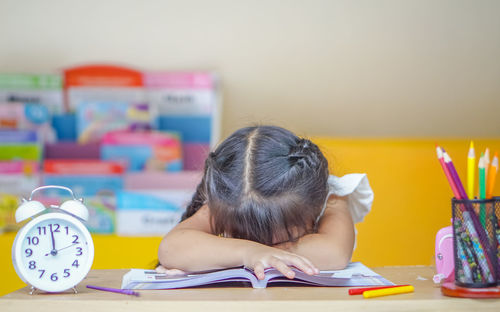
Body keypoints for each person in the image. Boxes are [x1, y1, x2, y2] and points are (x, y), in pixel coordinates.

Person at [157, 125, 373, 280]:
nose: (266, 242)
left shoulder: (332, 197)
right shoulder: (231, 199)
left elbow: (333, 253)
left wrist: (226, 258)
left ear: (314, 205)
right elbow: (171, 249)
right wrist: (248, 254)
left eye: (284, 233)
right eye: (250, 234)